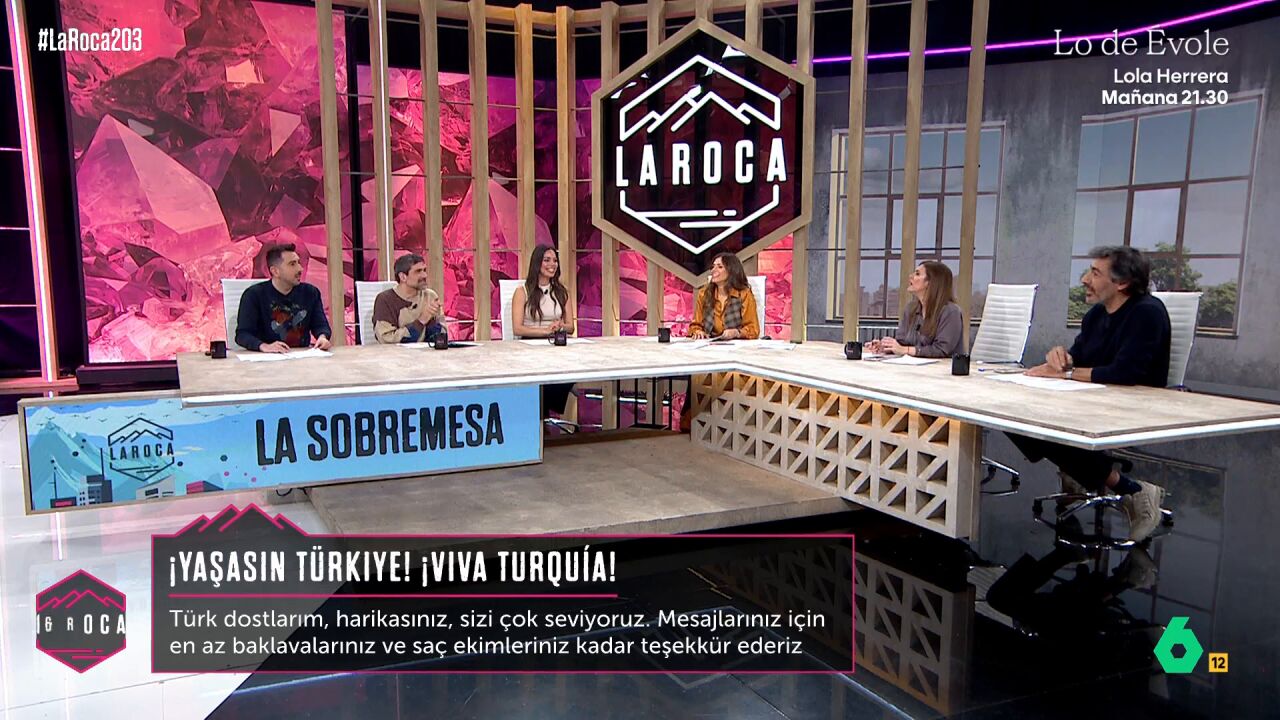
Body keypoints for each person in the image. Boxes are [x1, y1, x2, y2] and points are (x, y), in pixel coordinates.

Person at [1008, 245, 1171, 542]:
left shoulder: (1147, 313)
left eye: (1095, 273)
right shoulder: (1097, 314)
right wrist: (1060, 359)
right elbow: (1078, 358)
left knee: (1039, 421)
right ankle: (1079, 469)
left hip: (1136, 404)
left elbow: (1125, 373)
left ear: (1122, 283)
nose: (1084, 279)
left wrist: (1066, 373)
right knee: (1011, 411)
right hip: (1094, 398)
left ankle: (1134, 491)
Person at [512, 244, 575, 417]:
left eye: (555, 260)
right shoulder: (522, 292)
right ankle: (541, 414)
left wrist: (560, 326)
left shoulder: (562, 292)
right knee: (544, 372)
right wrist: (545, 331)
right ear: (537, 263)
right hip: (530, 345)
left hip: (555, 345)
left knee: (571, 365)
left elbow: (571, 327)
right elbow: (517, 328)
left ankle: (543, 412)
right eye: (547, 260)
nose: (552, 264)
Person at [235, 243, 332, 353]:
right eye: (292, 264)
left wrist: (322, 337)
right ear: (275, 271)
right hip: (267, 358)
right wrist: (263, 346)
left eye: (299, 263)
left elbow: (320, 325)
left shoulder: (310, 293)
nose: (300, 269)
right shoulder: (253, 295)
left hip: (302, 357)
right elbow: (242, 334)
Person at [865, 260, 963, 358]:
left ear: (930, 282)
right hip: (912, 366)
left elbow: (941, 350)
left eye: (917, 274)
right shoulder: (910, 309)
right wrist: (887, 347)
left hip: (943, 367)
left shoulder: (951, 312)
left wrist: (905, 350)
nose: (910, 276)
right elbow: (902, 343)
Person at [373, 253, 444, 344]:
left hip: (426, 352)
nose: (424, 275)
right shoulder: (385, 300)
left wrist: (432, 322)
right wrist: (421, 321)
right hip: (396, 353)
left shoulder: (430, 296)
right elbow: (386, 339)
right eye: (418, 271)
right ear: (403, 277)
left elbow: (441, 337)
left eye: (424, 270)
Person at [689, 253, 760, 340]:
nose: (713, 270)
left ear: (732, 271)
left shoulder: (744, 294)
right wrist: (697, 331)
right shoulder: (703, 294)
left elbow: (753, 329)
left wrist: (737, 333)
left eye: (720, 267)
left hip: (736, 345)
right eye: (713, 267)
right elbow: (695, 325)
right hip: (709, 344)